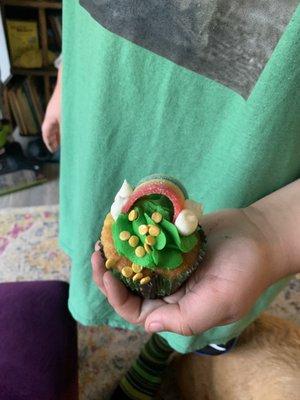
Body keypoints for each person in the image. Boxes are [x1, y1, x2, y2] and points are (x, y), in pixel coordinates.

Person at [42, 1, 300, 399]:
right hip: (102, 95)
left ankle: (159, 354)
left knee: (212, 302)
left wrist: (271, 235)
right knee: (95, 255)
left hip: (250, 145)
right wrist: (66, 73)